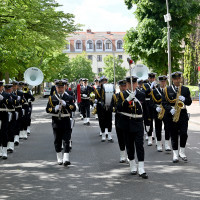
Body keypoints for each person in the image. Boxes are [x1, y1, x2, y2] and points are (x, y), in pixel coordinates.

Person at [117, 76, 150, 179]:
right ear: (126, 84)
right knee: (130, 145)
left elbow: (145, 109)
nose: (132, 85)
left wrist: (148, 122)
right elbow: (118, 108)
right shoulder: (121, 95)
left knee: (140, 145)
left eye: (133, 83)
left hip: (139, 123)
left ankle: (141, 168)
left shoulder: (141, 94)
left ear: (136, 84)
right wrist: (128, 99)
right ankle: (132, 165)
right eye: (129, 83)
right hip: (127, 124)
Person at [162, 72, 192, 163]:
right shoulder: (167, 90)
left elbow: (189, 102)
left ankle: (182, 152)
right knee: (174, 134)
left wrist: (185, 99)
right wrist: (169, 109)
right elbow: (164, 103)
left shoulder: (185, 89)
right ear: (172, 80)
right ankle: (175, 154)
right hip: (171, 114)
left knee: (184, 133)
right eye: (175, 79)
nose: (178, 80)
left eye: (179, 78)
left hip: (182, 113)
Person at [46, 80, 76, 166]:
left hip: (66, 120)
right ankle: (59, 157)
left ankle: (66, 158)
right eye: (59, 87)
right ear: (56, 88)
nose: (60, 89)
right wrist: (54, 109)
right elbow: (47, 109)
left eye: (62, 87)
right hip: (56, 121)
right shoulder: (52, 98)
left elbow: (73, 108)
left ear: (64, 87)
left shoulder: (69, 97)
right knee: (57, 140)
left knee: (67, 139)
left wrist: (66, 104)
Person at [151, 76, 171, 152]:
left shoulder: (168, 90)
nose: (163, 83)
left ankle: (167, 145)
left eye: (164, 81)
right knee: (158, 128)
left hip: (166, 112)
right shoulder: (154, 91)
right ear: (159, 82)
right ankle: (159, 144)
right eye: (161, 81)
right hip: (158, 112)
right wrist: (156, 107)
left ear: (166, 82)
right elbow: (151, 103)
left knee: (167, 128)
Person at [110, 79, 127, 163]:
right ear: (119, 87)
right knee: (120, 137)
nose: (123, 88)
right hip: (119, 118)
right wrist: (114, 109)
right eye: (122, 86)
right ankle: (122, 155)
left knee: (128, 138)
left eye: (125, 86)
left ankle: (129, 154)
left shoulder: (130, 95)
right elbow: (111, 107)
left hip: (128, 119)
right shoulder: (115, 96)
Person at [95, 76, 113, 142]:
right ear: (101, 83)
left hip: (108, 106)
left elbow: (113, 97)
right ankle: (103, 135)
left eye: (105, 81)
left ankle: (109, 136)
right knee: (101, 120)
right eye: (103, 82)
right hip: (101, 107)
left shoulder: (111, 89)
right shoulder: (98, 90)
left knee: (109, 120)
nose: (104, 83)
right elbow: (96, 98)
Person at [142, 72, 157, 146]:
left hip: (155, 103)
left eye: (153, 78)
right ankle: (149, 137)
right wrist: (151, 88)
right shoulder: (145, 85)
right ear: (148, 78)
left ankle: (157, 138)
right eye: (150, 78)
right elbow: (144, 93)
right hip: (147, 104)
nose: (152, 79)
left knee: (157, 121)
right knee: (148, 121)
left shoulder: (156, 85)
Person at [0, 81, 13, 159]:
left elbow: (11, 104)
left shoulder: (6, 95)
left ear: (2, 87)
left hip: (3, 114)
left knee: (4, 132)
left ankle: (4, 151)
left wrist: (3, 99)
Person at [12, 81, 25, 146]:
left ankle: (16, 138)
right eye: (13, 86)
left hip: (18, 109)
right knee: (12, 125)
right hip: (12, 110)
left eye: (15, 86)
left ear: (17, 86)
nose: (14, 87)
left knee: (18, 124)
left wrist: (19, 100)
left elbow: (23, 100)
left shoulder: (20, 93)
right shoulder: (9, 93)